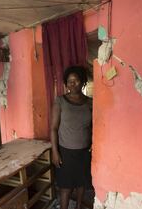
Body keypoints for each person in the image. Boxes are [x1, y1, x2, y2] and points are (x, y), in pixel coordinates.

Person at [51, 65, 93, 209]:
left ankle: (79, 206)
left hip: (84, 151)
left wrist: (94, 143)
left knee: (81, 183)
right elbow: (53, 128)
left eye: (76, 81)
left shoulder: (90, 103)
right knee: (66, 186)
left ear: (82, 82)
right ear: (66, 83)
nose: (72, 84)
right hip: (65, 152)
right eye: (69, 81)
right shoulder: (60, 101)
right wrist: (55, 152)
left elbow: (94, 126)